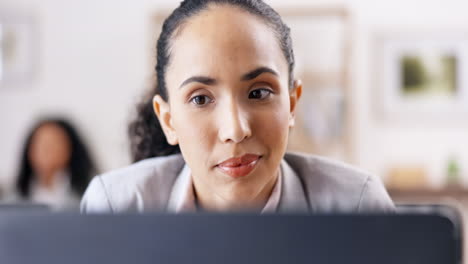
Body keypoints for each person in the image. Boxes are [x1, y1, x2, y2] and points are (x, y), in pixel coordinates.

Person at [81, 0, 394, 213]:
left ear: (292, 104)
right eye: (200, 98)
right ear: (168, 120)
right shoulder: (117, 207)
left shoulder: (356, 204)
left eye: (258, 93)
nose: (235, 129)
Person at [13, 118, 97, 210]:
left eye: (53, 144)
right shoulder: (13, 198)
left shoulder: (89, 195)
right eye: (40, 145)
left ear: (70, 149)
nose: (46, 151)